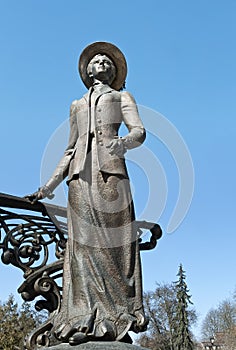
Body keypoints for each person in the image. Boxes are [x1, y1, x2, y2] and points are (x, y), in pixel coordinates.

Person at [26, 42, 148, 346]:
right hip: (79, 179)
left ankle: (115, 317)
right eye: (97, 60)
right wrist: (48, 187)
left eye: (108, 61)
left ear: (115, 71)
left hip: (112, 177)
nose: (102, 63)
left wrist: (123, 144)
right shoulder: (76, 105)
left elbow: (139, 131)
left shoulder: (122, 97)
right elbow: (69, 149)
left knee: (112, 245)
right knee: (82, 247)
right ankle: (81, 317)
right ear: (87, 70)